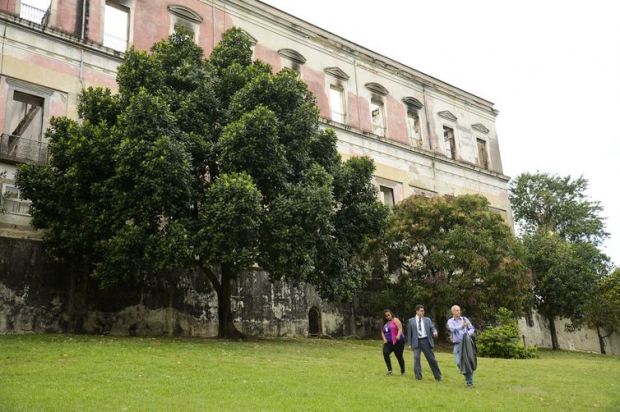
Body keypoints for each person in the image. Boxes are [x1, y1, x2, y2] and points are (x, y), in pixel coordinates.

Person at [407, 304, 442, 381]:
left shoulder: (427, 320)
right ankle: (418, 377)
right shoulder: (411, 321)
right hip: (416, 342)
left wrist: (435, 332)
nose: (423, 312)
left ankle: (438, 377)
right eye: (421, 311)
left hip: (426, 341)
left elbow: (432, 328)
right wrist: (409, 344)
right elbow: (409, 333)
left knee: (431, 359)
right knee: (416, 359)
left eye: (423, 311)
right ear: (417, 311)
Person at [448, 305, 477, 387]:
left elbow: (471, 328)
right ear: (453, 312)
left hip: (466, 344)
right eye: (457, 310)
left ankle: (469, 383)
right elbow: (452, 329)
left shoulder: (465, 319)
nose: (459, 312)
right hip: (457, 345)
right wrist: (462, 326)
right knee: (458, 362)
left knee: (468, 363)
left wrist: (467, 334)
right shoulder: (450, 321)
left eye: (459, 310)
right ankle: (467, 375)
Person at [381, 309, 406, 376]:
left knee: (399, 356)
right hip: (388, 342)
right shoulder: (385, 323)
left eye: (389, 315)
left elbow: (400, 328)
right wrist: (384, 339)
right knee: (385, 353)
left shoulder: (395, 320)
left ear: (391, 314)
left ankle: (403, 372)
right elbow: (382, 332)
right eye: (386, 316)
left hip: (397, 341)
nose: (388, 317)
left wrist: (398, 335)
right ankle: (390, 370)